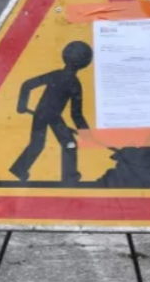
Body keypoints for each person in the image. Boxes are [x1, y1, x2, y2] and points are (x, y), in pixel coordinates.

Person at [9, 41, 93, 183]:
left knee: (38, 144)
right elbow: (76, 114)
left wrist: (21, 105)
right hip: (50, 116)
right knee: (68, 143)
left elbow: (27, 85)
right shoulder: (75, 83)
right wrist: (85, 133)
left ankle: (19, 169)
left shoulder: (56, 75)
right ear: (85, 63)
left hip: (43, 114)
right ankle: (69, 177)